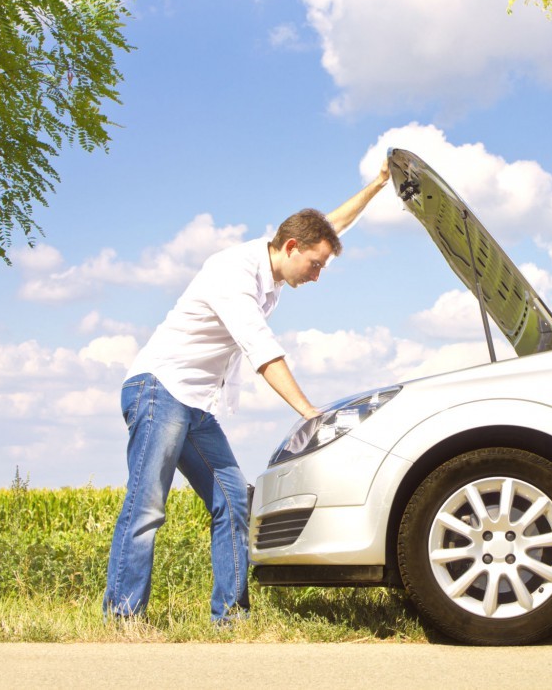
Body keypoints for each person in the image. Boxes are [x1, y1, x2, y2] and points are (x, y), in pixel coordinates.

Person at [103, 159, 391, 623]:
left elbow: (332, 225)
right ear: (292, 247)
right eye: (315, 265)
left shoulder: (279, 263)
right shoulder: (233, 273)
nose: (318, 275)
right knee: (146, 507)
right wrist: (307, 410)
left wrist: (377, 185)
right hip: (158, 391)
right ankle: (122, 618)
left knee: (234, 500)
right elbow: (261, 350)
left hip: (194, 403)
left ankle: (230, 618)